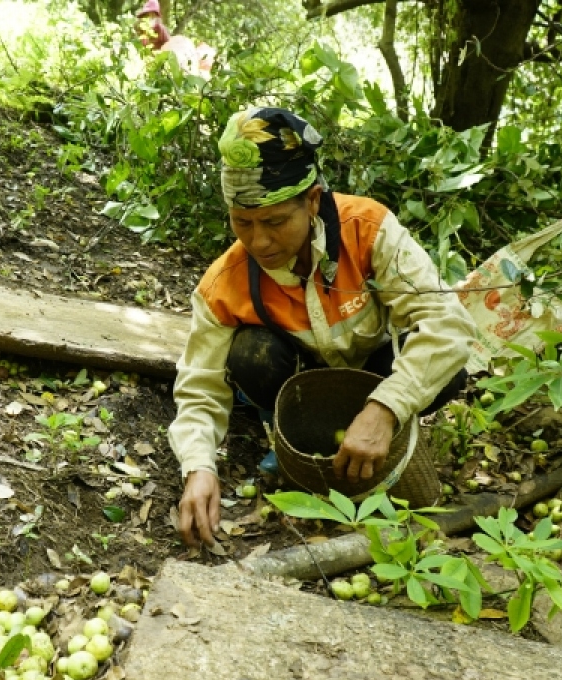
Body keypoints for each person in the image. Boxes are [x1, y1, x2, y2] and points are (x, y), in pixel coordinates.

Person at [168, 107, 475, 548]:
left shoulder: (367, 229)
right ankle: (291, 431)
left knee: (449, 371)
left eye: (274, 222)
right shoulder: (224, 282)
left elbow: (448, 324)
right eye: (242, 222)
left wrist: (385, 408)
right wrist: (198, 468)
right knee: (250, 354)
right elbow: (199, 388)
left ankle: (378, 429)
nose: (258, 241)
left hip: (374, 366)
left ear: (312, 201)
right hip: (299, 378)